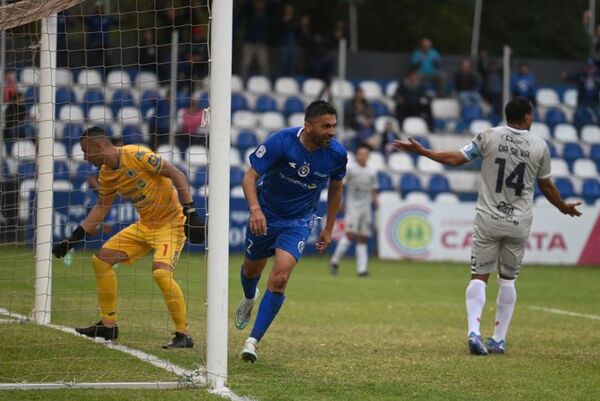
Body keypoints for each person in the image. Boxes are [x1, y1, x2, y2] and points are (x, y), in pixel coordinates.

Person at [393, 97, 581, 355]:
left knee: (479, 277)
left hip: (488, 219)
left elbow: (455, 159)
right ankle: (499, 340)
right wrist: (563, 206)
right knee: (507, 281)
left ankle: (473, 331)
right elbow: (546, 185)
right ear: (527, 117)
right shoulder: (539, 146)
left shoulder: (488, 136)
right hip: (519, 221)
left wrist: (422, 151)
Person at [51, 126, 205, 348]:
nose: (84, 157)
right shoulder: (106, 174)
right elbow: (102, 207)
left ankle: (184, 334)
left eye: (86, 151)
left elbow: (176, 173)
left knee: (161, 273)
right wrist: (73, 240)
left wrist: (190, 210)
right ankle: (108, 325)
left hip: (170, 224)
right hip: (144, 226)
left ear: (100, 146)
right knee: (101, 260)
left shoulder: (137, 155)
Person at [234, 100, 347, 363]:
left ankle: (252, 341)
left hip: (298, 221)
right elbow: (249, 177)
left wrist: (329, 227)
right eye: (325, 126)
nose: (332, 131)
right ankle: (250, 297)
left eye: (334, 126)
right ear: (307, 126)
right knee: (252, 270)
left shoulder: (337, 154)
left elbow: (336, 189)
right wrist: (255, 209)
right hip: (266, 215)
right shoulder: (282, 142)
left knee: (281, 277)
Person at [329, 144, 377, 277]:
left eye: (365, 154)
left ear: (368, 156)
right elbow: (340, 186)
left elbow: (373, 187)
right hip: (353, 206)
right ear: (357, 155)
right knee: (350, 235)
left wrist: (376, 200)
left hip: (366, 207)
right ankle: (335, 261)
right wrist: (340, 201)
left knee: (363, 237)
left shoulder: (372, 170)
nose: (362, 156)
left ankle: (362, 270)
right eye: (360, 153)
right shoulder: (351, 169)